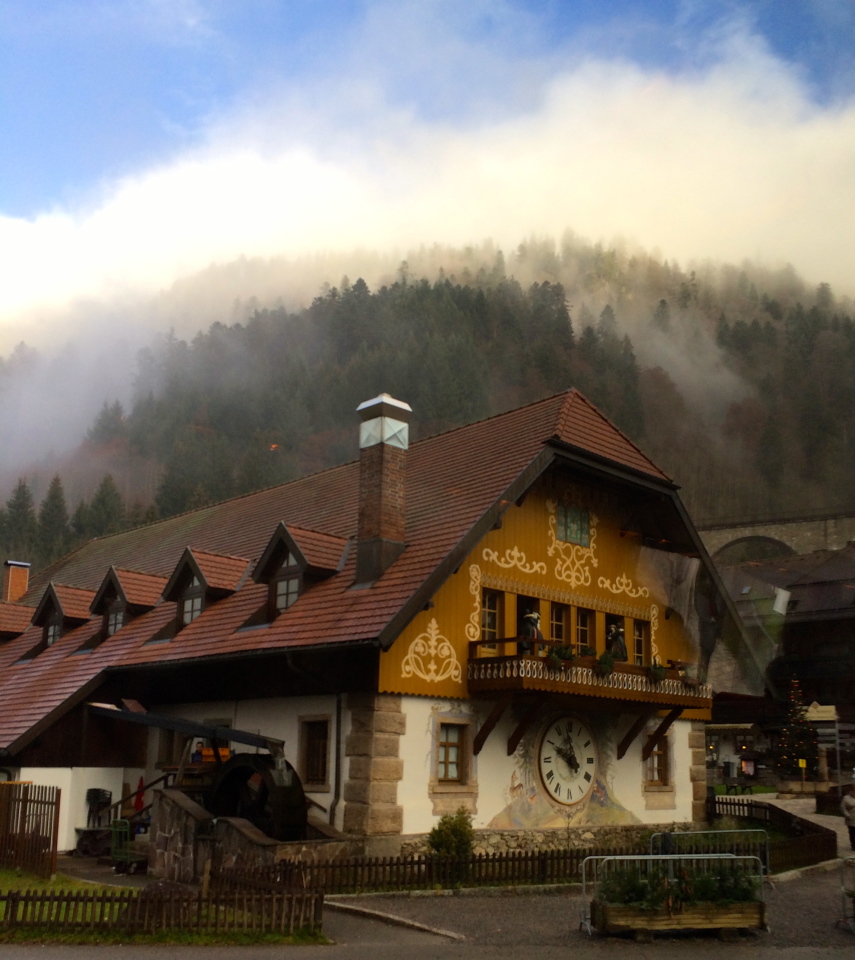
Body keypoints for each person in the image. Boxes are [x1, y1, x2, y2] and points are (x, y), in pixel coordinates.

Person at [841, 783, 855, 851]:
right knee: (852, 833)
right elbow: (843, 808)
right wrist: (847, 815)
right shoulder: (846, 798)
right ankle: (854, 845)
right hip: (851, 819)